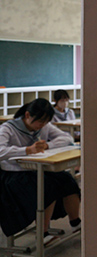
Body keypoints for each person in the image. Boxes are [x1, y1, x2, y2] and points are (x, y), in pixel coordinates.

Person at [0, 98, 81, 245]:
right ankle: (42, 234)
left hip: (37, 169)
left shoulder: (43, 126)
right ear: (27, 115)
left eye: (46, 122)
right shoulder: (8, 128)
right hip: (14, 175)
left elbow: (67, 137)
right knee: (47, 187)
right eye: (40, 121)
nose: (42, 125)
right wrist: (26, 150)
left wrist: (48, 145)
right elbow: (1, 151)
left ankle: (75, 222)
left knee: (67, 180)